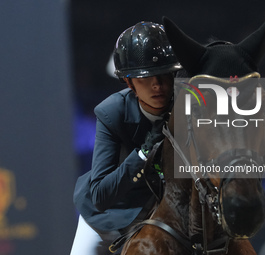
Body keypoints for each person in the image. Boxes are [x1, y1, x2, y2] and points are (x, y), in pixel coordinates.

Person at [70, 21, 182, 255]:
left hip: (162, 216)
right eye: (146, 78)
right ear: (129, 82)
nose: (158, 85)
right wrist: (143, 154)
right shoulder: (112, 113)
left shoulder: (188, 107)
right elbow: (101, 194)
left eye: (164, 75)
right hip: (109, 216)